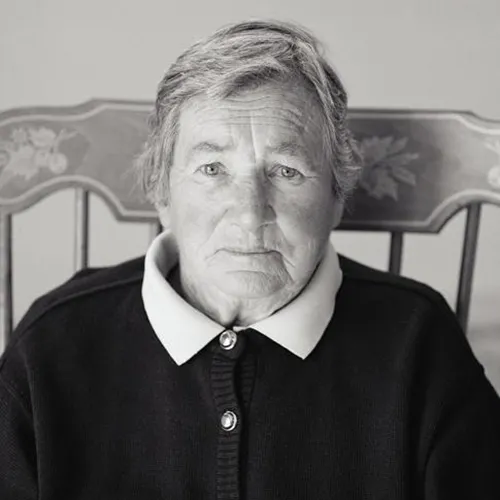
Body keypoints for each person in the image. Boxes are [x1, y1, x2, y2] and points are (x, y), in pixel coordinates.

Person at [1, 19, 499, 500]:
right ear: (160, 188)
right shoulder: (52, 343)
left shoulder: (419, 341)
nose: (248, 211)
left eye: (286, 170)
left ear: (336, 195)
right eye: (212, 168)